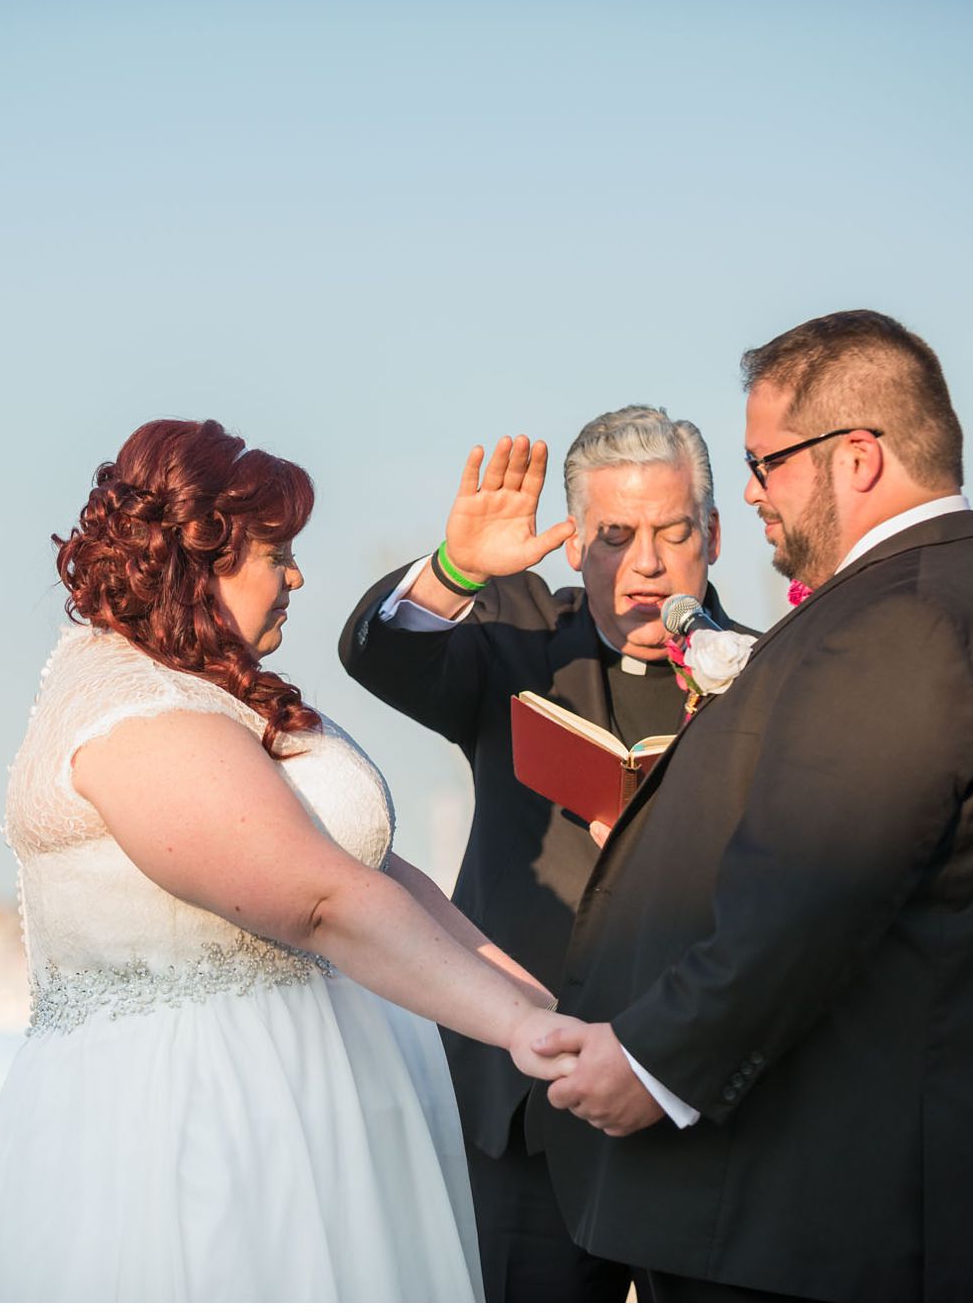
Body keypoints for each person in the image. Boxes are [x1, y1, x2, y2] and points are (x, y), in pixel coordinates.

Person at [0, 419, 584, 1301]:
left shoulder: (219, 688)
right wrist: (520, 1035)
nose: (296, 577)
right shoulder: (130, 709)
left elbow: (376, 874)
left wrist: (546, 1011)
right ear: (196, 558)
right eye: (276, 552)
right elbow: (319, 900)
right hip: (200, 1127)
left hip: (320, 1108)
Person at [532, 311, 973, 1300]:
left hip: (839, 1233)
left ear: (857, 457)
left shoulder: (902, 619)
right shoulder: (928, 598)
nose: (748, 490)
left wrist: (650, 1061)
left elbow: (808, 900)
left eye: (764, 460)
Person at [337, 408, 754, 1301]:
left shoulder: (777, 672)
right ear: (573, 548)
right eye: (614, 536)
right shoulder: (515, 636)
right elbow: (375, 655)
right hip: (527, 1111)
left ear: (713, 535)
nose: (646, 563)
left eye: (673, 532)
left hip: (703, 1107)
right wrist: (454, 574)